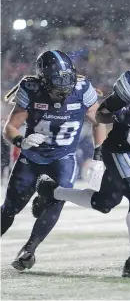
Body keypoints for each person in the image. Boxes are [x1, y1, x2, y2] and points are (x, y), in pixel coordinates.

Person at [32, 43, 130, 277]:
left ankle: (51, 191)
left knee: (104, 203)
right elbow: (100, 115)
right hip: (119, 148)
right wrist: (123, 115)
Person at [1, 50, 106, 270]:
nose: (63, 90)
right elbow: (9, 128)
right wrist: (22, 141)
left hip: (63, 157)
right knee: (11, 207)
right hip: (32, 157)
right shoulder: (31, 89)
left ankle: (28, 250)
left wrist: (98, 156)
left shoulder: (82, 89)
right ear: (44, 80)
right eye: (57, 85)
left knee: (56, 202)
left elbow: (98, 122)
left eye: (66, 83)